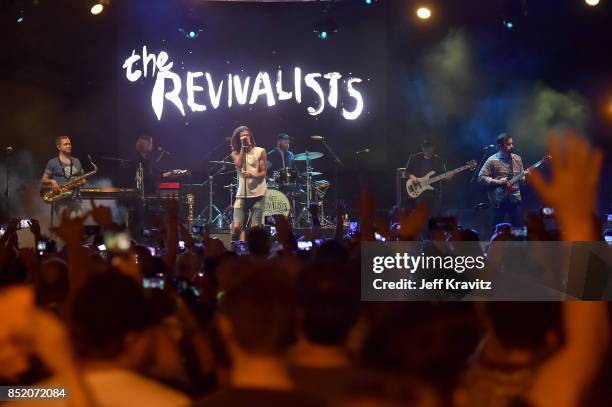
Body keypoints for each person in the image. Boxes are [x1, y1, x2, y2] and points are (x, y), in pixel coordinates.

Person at [478, 133, 528, 228]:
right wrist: (498, 182)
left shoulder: (517, 159)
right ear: (500, 146)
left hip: (515, 199)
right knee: (496, 228)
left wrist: (526, 179)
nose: (512, 146)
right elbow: (481, 178)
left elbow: (522, 180)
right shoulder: (491, 160)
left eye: (512, 143)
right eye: (508, 144)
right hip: (498, 200)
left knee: (519, 228)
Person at [229, 126, 267, 242]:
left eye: (247, 135)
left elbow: (263, 173)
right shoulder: (235, 153)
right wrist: (243, 147)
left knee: (255, 229)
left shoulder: (260, 151)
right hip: (242, 195)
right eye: (242, 137)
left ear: (250, 136)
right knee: (236, 227)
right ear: (238, 139)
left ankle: (254, 255)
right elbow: (239, 164)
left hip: (258, 195)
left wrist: (252, 175)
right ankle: (233, 253)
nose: (245, 138)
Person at [40, 135, 85, 219]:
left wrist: (80, 182)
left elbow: (83, 180)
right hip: (61, 201)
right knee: (65, 229)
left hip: (76, 199)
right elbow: (43, 179)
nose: (69, 146)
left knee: (78, 229)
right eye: (65, 144)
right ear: (58, 147)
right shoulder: (52, 162)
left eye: (70, 144)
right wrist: (52, 181)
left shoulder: (77, 161)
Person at [405, 140, 447, 216]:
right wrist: (413, 177)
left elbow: (444, 178)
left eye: (428, 147)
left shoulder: (439, 160)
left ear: (433, 147)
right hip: (419, 193)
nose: (426, 149)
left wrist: (448, 177)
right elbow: (407, 171)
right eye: (424, 147)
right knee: (421, 216)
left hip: (434, 193)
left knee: (434, 217)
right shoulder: (414, 158)